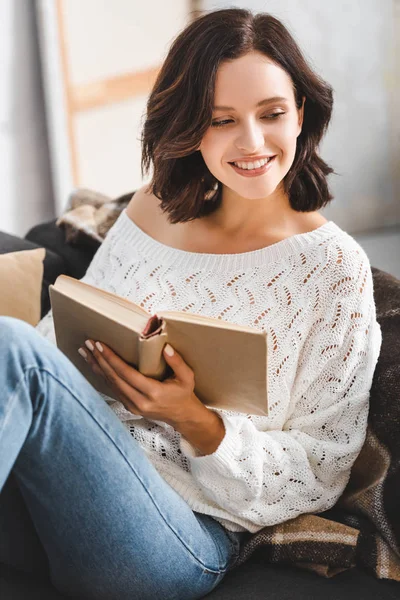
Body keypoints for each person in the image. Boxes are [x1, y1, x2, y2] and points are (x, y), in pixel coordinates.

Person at [0, 7, 382, 600]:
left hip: (177, 541)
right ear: (189, 127)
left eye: (272, 114)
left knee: (11, 350)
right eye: (221, 120)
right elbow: (61, 338)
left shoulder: (333, 271)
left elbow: (318, 475)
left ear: (301, 114)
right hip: (61, 480)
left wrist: (195, 422)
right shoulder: (154, 207)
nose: (252, 143)